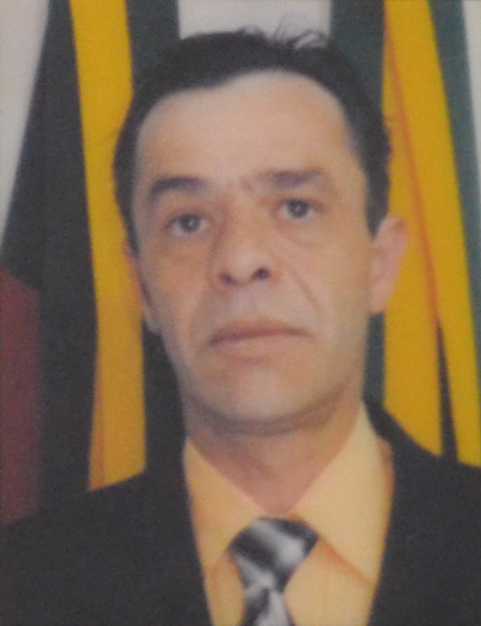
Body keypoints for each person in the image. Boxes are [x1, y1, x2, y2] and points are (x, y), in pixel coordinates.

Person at [2, 30, 481, 626]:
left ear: (380, 264)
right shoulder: (21, 587)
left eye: (296, 208)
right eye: (188, 222)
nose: (239, 259)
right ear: (142, 287)